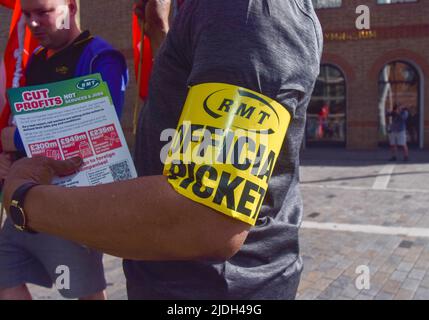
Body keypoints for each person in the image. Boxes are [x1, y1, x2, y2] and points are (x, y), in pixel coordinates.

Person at [2, 0, 322, 300]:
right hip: (181, 277)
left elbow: (206, 218)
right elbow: (186, 116)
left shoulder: (240, 12)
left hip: (216, 288)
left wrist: (24, 200)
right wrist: (163, 37)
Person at [0, 0, 128, 300]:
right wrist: (12, 159)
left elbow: (101, 134)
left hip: (73, 202)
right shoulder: (36, 59)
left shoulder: (101, 56)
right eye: (28, 14)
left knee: (83, 292)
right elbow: (34, 126)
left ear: (70, 7)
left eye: (43, 12)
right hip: (27, 198)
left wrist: (17, 141)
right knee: (6, 276)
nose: (32, 23)